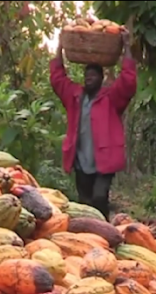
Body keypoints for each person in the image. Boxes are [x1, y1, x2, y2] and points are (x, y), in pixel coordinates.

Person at [50, 29, 137, 220]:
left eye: (93, 75)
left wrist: (127, 47)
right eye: (87, 75)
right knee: (84, 203)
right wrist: (59, 47)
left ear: (101, 79)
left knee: (99, 198)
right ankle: (89, 236)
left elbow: (128, 82)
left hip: (104, 161)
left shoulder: (111, 99)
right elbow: (58, 79)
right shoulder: (75, 96)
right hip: (81, 160)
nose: (89, 78)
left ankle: (104, 229)